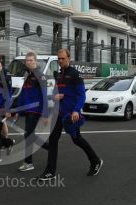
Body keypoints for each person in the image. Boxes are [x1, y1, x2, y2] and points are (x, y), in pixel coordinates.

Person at [38, 48, 103, 180]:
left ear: (69, 59)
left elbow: (81, 95)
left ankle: (95, 161)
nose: (60, 61)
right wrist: (55, 96)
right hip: (59, 113)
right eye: (59, 59)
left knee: (76, 139)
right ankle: (50, 171)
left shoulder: (75, 75)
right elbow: (58, 93)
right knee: (53, 140)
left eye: (63, 58)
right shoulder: (59, 74)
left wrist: (75, 110)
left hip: (71, 114)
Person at [14, 51, 49, 172]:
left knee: (28, 134)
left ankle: (28, 163)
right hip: (27, 110)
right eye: (27, 61)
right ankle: (50, 147)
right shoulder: (28, 75)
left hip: (35, 110)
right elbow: (23, 95)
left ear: (35, 61)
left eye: (31, 60)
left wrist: (45, 114)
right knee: (30, 135)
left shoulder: (40, 75)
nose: (28, 62)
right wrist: (18, 111)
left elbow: (44, 95)